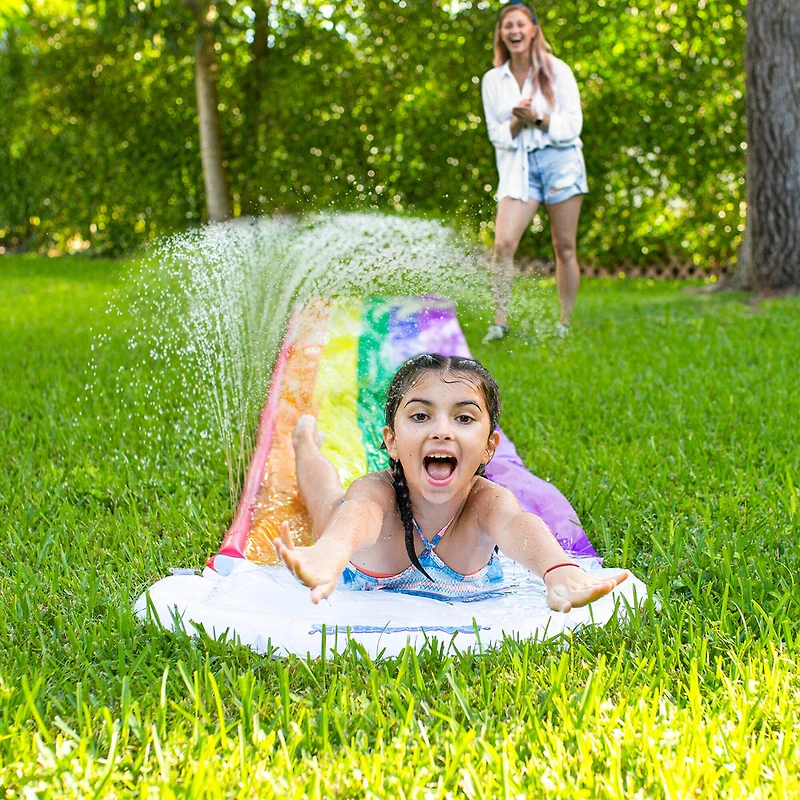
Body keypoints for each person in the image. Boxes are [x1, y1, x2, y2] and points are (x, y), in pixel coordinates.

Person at [273, 353, 627, 609]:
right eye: (421, 416)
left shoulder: (486, 502)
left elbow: (519, 525)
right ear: (392, 441)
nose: (442, 430)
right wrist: (329, 554)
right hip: (345, 556)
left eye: (464, 418)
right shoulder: (376, 492)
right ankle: (305, 443)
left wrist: (559, 570)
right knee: (326, 499)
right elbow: (357, 516)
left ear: (489, 447)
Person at [481, 0, 588, 343]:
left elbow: (572, 126)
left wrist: (537, 119)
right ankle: (500, 324)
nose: (513, 30)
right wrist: (517, 122)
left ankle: (564, 324)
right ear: (501, 34)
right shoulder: (493, 80)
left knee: (564, 246)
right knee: (503, 244)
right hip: (519, 167)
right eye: (507, 25)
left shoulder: (558, 71)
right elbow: (497, 135)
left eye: (520, 24)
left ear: (533, 31)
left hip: (561, 163)